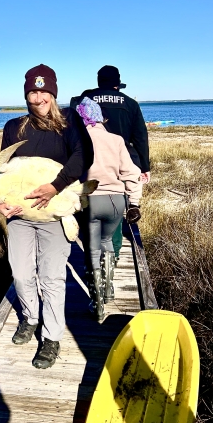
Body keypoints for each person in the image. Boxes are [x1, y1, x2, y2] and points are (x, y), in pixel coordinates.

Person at [0, 64, 93, 369]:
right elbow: (4, 172)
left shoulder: (70, 122)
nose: (38, 98)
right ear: (26, 94)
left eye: (44, 91)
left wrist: (55, 186)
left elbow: (83, 156)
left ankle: (51, 337)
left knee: (52, 278)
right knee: (21, 274)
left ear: (53, 93)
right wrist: (0, 204)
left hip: (54, 217)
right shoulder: (14, 127)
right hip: (21, 216)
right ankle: (30, 318)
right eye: (32, 92)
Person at [70, 65, 150, 258]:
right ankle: (113, 253)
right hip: (123, 160)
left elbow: (69, 129)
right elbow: (140, 137)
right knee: (117, 207)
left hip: (89, 162)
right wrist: (144, 167)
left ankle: (92, 255)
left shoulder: (83, 100)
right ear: (117, 84)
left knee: (88, 209)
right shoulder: (130, 103)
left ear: (98, 82)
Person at [74, 96, 142, 319]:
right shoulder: (116, 140)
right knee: (108, 242)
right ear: (100, 118)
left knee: (92, 249)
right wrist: (134, 202)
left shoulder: (78, 139)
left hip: (90, 201)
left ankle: (97, 305)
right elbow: (131, 173)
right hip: (116, 200)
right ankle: (109, 289)